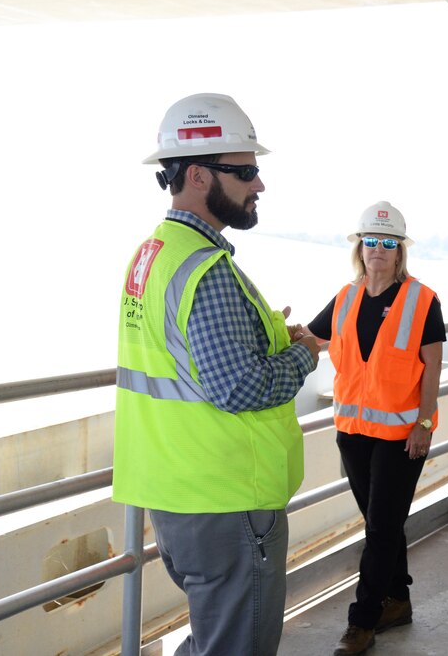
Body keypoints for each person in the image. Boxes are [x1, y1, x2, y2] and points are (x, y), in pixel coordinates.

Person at [113, 93, 320, 656]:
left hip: (176, 493)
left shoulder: (151, 254)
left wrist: (263, 336)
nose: (259, 185)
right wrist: (306, 355)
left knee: (214, 638)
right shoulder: (204, 268)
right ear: (200, 176)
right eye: (247, 171)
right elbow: (239, 386)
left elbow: (183, 357)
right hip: (224, 499)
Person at [301, 201, 445, 656]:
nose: (378, 250)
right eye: (370, 242)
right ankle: (398, 599)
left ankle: (361, 622)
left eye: (387, 243)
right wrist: (271, 331)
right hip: (353, 432)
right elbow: (311, 336)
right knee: (382, 523)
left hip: (403, 436)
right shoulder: (346, 297)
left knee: (381, 528)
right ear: (359, 248)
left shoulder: (423, 299)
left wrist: (423, 423)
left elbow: (433, 367)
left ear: (400, 251)